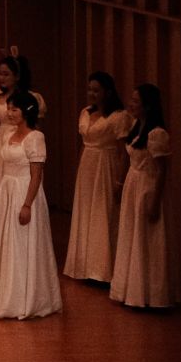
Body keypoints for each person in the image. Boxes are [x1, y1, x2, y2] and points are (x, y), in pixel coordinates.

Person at [0, 93, 62, 320]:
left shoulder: (35, 137)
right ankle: (4, 294)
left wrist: (27, 204)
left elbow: (36, 175)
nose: (9, 113)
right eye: (9, 108)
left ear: (27, 111)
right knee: (7, 241)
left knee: (22, 242)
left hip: (24, 191)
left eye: (14, 109)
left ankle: (24, 298)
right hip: (7, 190)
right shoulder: (8, 134)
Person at [109, 83, 175, 309]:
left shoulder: (157, 133)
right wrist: (120, 183)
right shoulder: (137, 127)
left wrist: (155, 200)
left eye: (136, 101)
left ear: (147, 105)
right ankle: (131, 288)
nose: (131, 104)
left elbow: (162, 169)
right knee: (132, 234)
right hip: (133, 184)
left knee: (148, 239)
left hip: (147, 186)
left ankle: (152, 294)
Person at [63, 71, 132, 283]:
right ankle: (85, 266)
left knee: (103, 213)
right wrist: (79, 170)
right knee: (85, 212)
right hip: (88, 165)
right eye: (90, 89)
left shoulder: (119, 116)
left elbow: (123, 151)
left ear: (107, 92)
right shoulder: (85, 112)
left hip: (106, 165)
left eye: (96, 90)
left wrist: (120, 179)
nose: (92, 93)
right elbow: (84, 145)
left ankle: (102, 270)